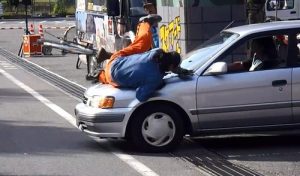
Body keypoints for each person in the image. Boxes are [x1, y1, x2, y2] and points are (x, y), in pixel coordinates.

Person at [99, 48, 182, 101]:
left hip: (114, 60)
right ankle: (98, 75)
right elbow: (140, 96)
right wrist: (157, 86)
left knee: (135, 49)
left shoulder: (156, 52)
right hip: (111, 77)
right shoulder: (156, 78)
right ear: (171, 66)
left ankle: (107, 55)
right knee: (117, 78)